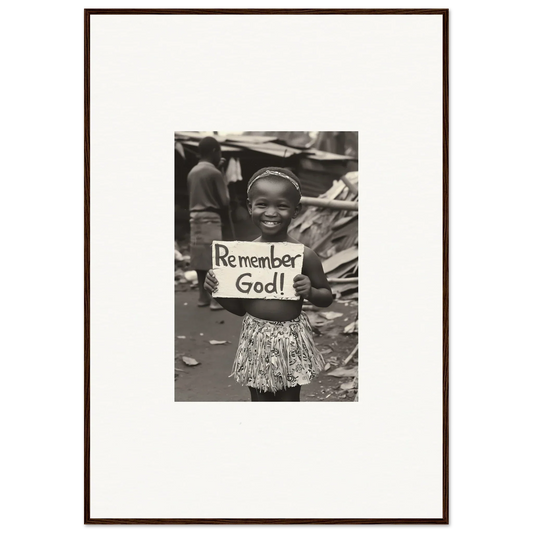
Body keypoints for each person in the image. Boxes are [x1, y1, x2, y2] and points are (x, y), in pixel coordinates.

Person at [204, 167, 333, 401]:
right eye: (262, 204)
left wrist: (311, 291)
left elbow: (327, 296)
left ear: (296, 210)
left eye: (281, 206)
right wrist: (217, 292)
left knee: (289, 399)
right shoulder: (241, 257)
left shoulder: (304, 256)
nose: (271, 213)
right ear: (249, 206)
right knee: (260, 399)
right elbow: (240, 308)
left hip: (290, 341)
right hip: (256, 339)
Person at [187, 136, 229, 310]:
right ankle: (216, 299)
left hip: (194, 219)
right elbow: (224, 201)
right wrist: (222, 173)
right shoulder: (214, 173)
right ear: (214, 152)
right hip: (211, 218)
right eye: (219, 151)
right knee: (215, 259)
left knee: (199, 258)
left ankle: (202, 297)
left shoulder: (192, 172)